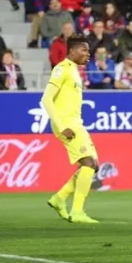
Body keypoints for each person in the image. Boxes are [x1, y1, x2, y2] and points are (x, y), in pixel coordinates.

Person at [43, 37, 100, 223]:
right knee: (88, 163)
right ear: (73, 50)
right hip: (67, 124)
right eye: (84, 50)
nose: (88, 54)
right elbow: (46, 99)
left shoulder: (74, 71)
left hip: (76, 123)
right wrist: (61, 126)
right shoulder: (61, 69)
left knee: (93, 165)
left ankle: (59, 199)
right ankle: (77, 212)